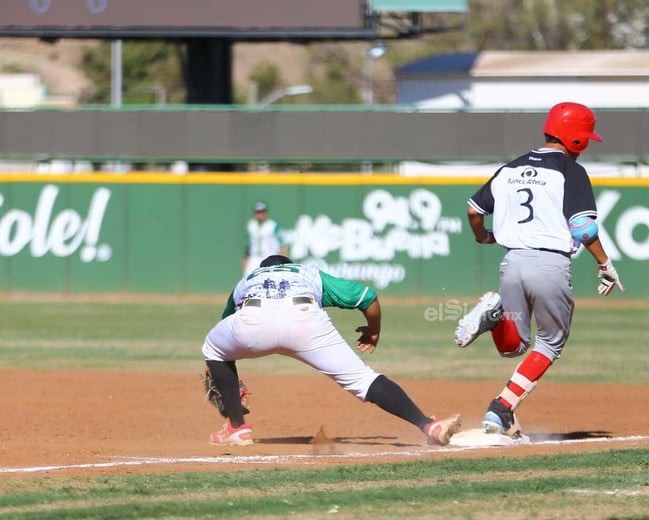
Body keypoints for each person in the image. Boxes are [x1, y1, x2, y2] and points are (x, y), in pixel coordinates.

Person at [452, 101, 624, 438]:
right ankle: (501, 407)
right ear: (577, 139)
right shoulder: (570, 171)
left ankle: (494, 321)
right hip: (549, 265)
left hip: (511, 262)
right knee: (551, 343)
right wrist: (605, 263)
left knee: (514, 346)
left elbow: (474, 209)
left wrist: (483, 236)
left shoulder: (509, 169)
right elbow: (584, 229)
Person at [202, 254, 462, 446]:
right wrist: (373, 331)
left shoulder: (247, 280)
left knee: (213, 349)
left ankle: (237, 426)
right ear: (289, 264)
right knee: (363, 379)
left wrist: (227, 379)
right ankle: (428, 425)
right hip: (304, 320)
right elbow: (367, 296)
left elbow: (225, 324)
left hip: (252, 318)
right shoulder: (306, 273)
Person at [243, 202, 289, 277]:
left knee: (270, 279)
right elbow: (249, 245)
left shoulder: (273, 225)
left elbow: (283, 244)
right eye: (258, 212)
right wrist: (245, 259)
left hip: (269, 257)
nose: (260, 215)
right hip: (254, 258)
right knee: (248, 279)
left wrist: (282, 259)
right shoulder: (251, 225)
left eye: (262, 212)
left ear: (266, 213)